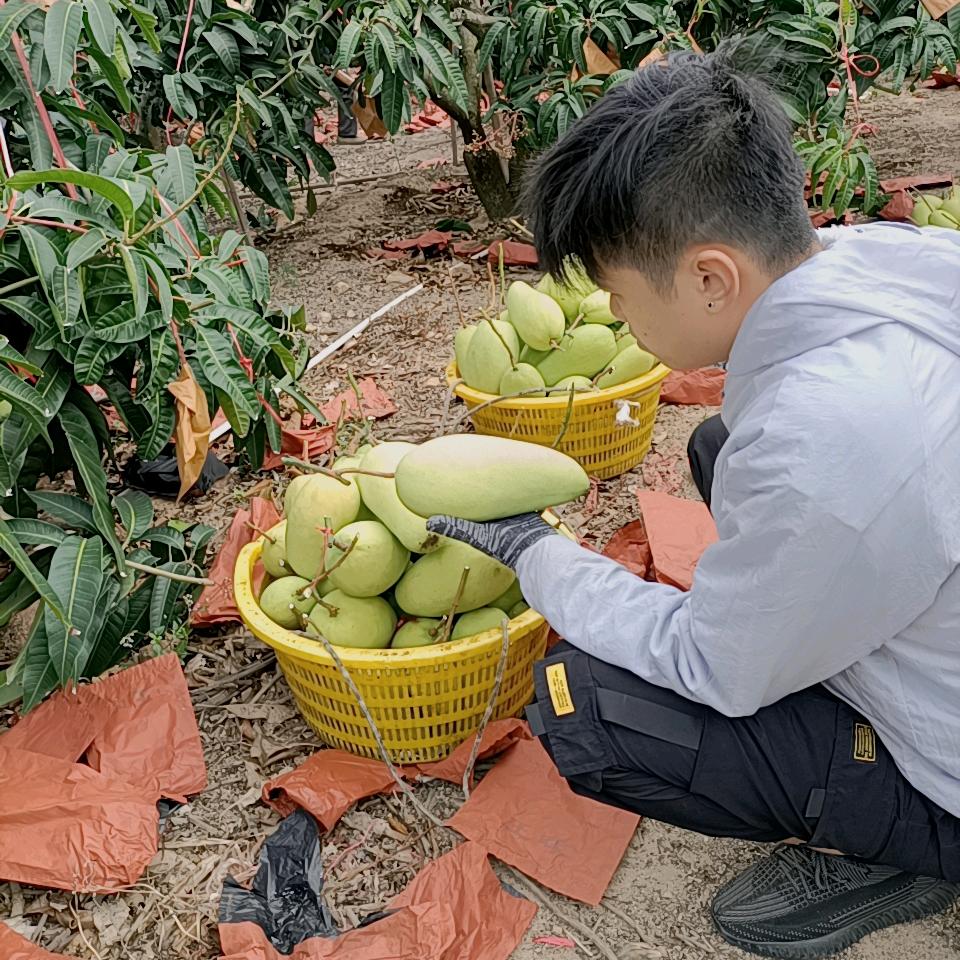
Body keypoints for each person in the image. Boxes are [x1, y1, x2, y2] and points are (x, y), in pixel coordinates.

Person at [427, 45, 960, 959]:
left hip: (946, 751)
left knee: (581, 706)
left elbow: (718, 668)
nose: (622, 323)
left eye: (622, 296)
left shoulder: (827, 440)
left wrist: (536, 555)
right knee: (716, 449)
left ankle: (914, 838)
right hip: (916, 582)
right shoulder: (882, 260)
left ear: (711, 276)